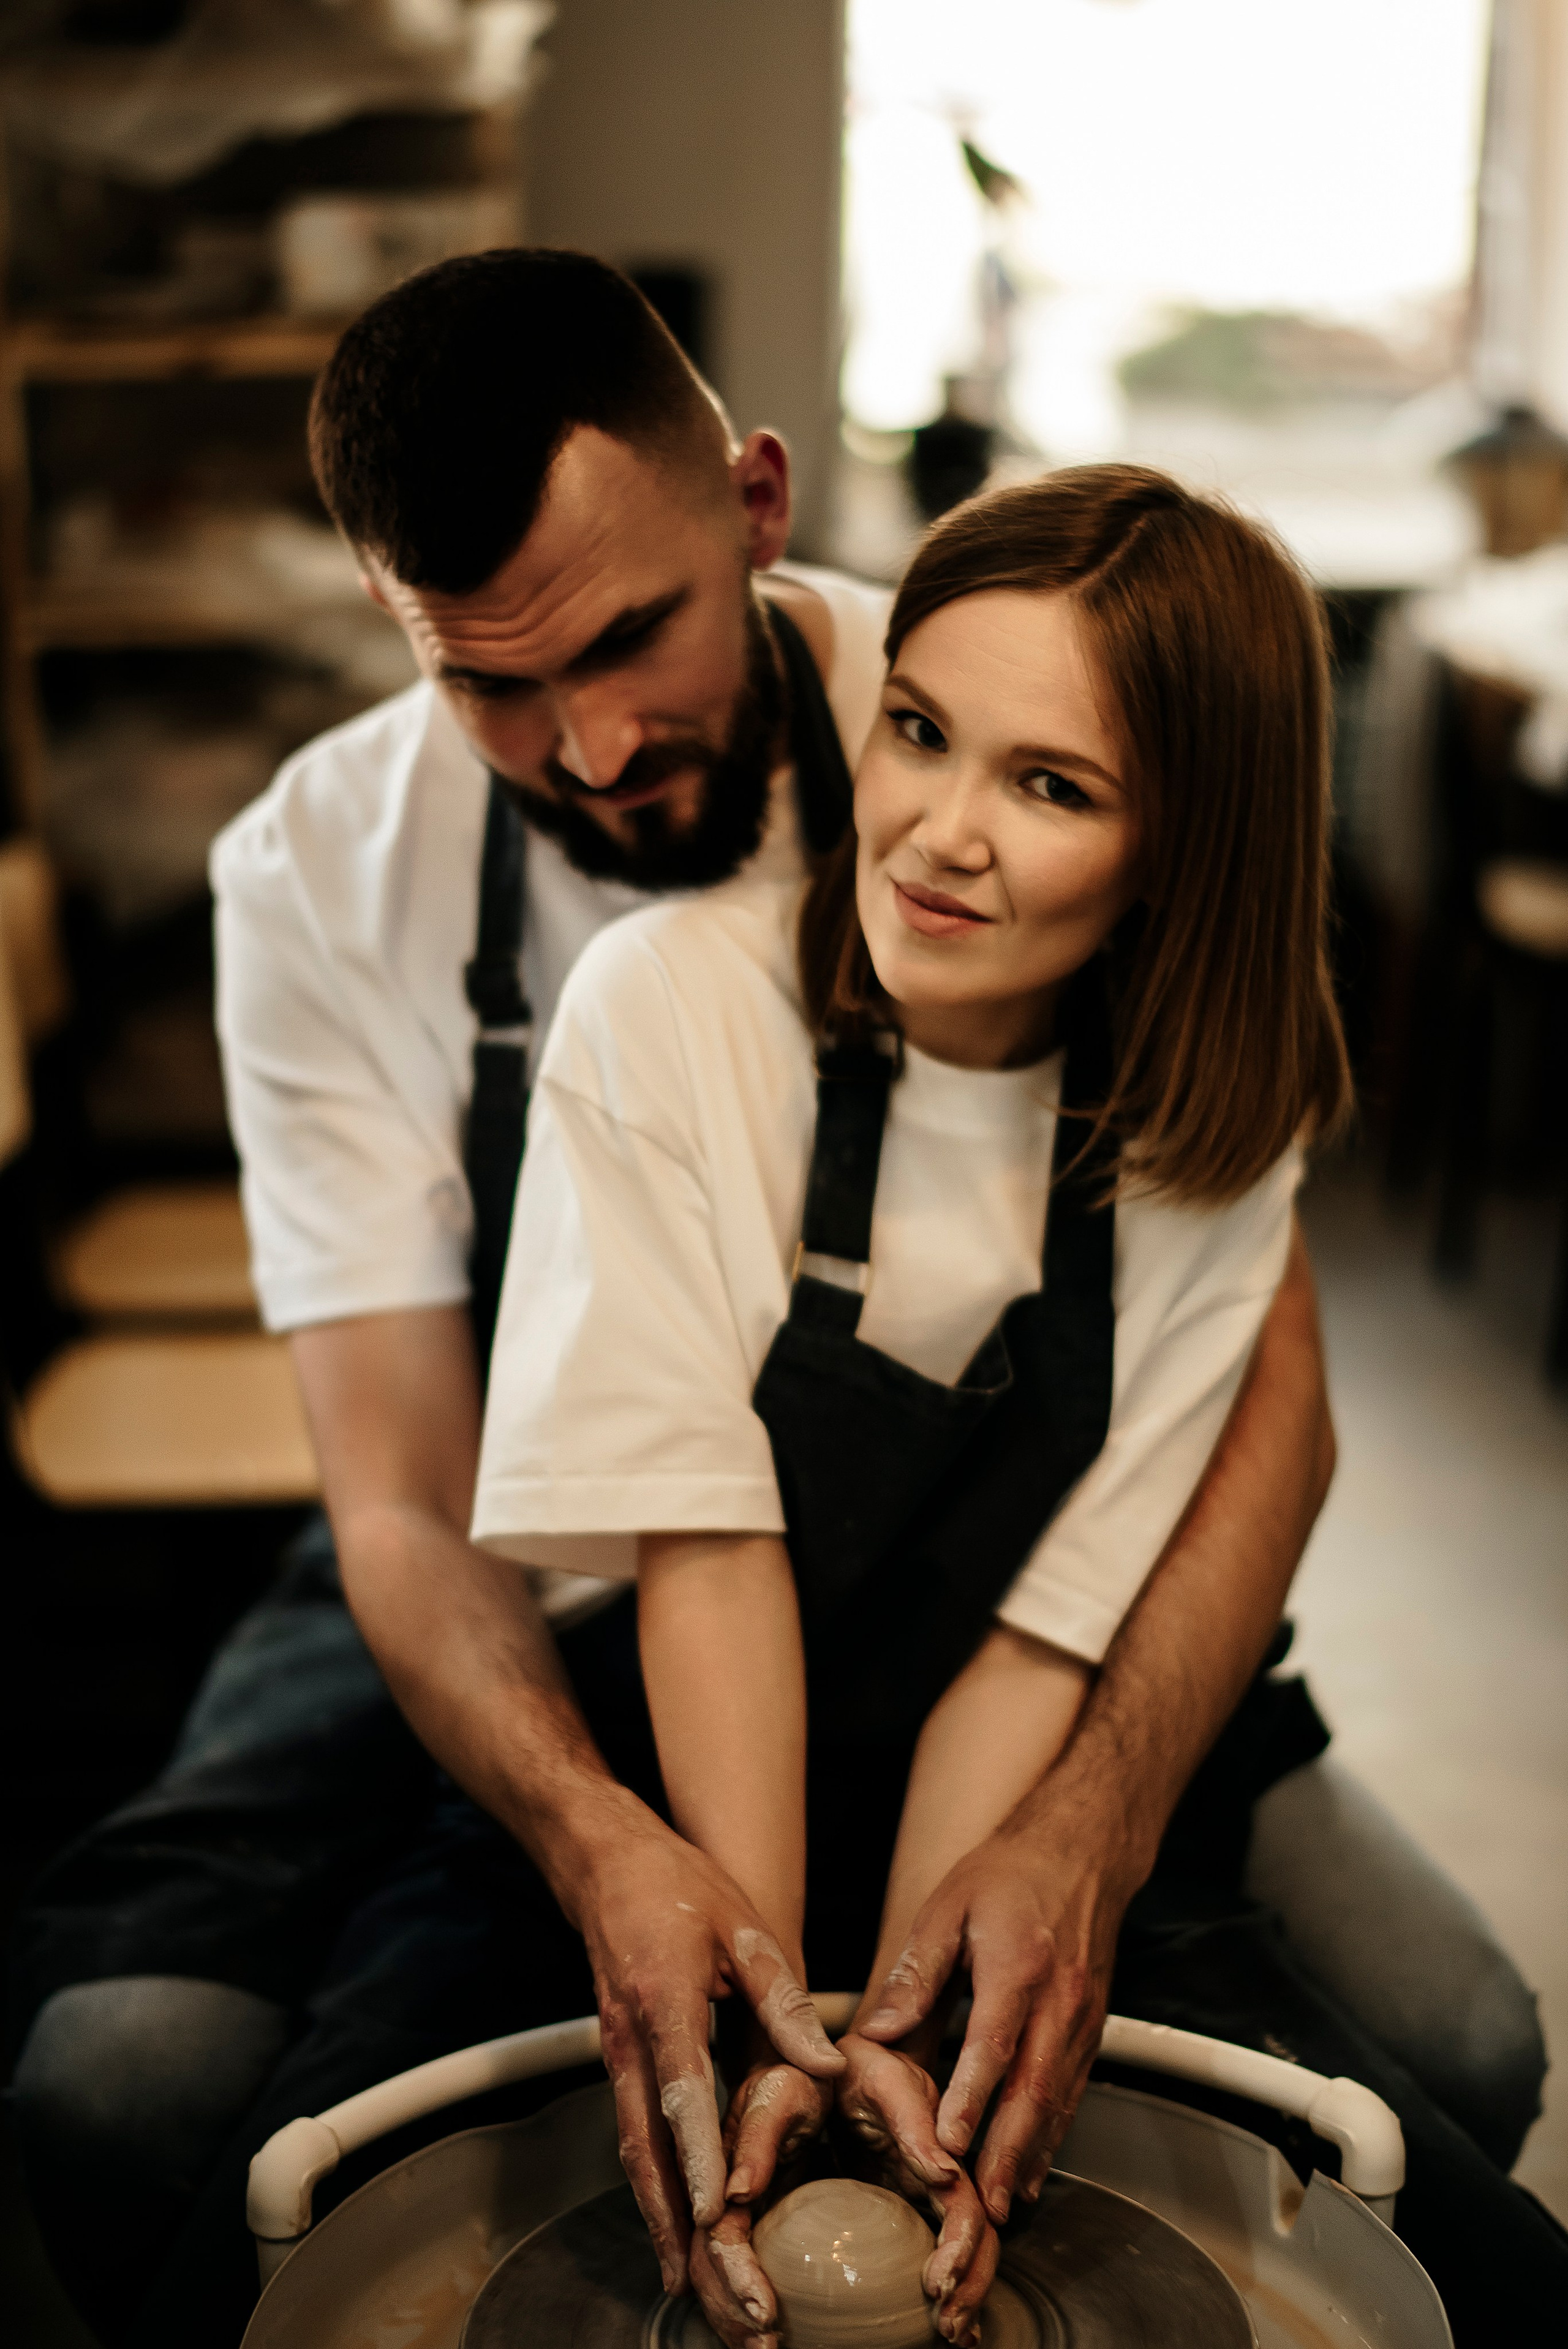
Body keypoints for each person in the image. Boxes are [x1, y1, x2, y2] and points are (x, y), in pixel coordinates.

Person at [6, 254, 1544, 2346]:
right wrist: (606, 1844)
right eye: (489, 682)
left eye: (629, 637)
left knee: (1454, 2044)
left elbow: (1242, 1369)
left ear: (753, 506)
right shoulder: (325, 877)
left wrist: (1087, 1821)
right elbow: (406, 1491)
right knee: (121, 2079)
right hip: (507, 1542)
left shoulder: (978, 691)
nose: (591, 748)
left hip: (1023, 1547)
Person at [467, 464, 1567, 2347]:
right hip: (695, 1742)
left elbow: (1044, 1638)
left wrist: (916, 2041)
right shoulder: (677, 1007)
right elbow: (710, 1550)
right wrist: (780, 2030)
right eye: (919, 730)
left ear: (1183, 843)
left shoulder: (1212, 1132)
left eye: (1051, 787)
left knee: (1474, 2232)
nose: (941, 833)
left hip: (1010, 1762)